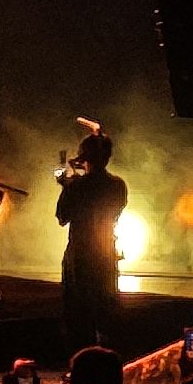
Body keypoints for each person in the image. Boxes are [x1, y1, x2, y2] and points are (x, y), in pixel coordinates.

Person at [54, 125, 131, 352]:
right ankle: (109, 355)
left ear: (84, 158)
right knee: (106, 307)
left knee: (78, 312)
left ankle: (80, 357)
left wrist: (66, 187)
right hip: (106, 251)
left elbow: (62, 217)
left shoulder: (77, 186)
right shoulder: (118, 185)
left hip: (80, 254)